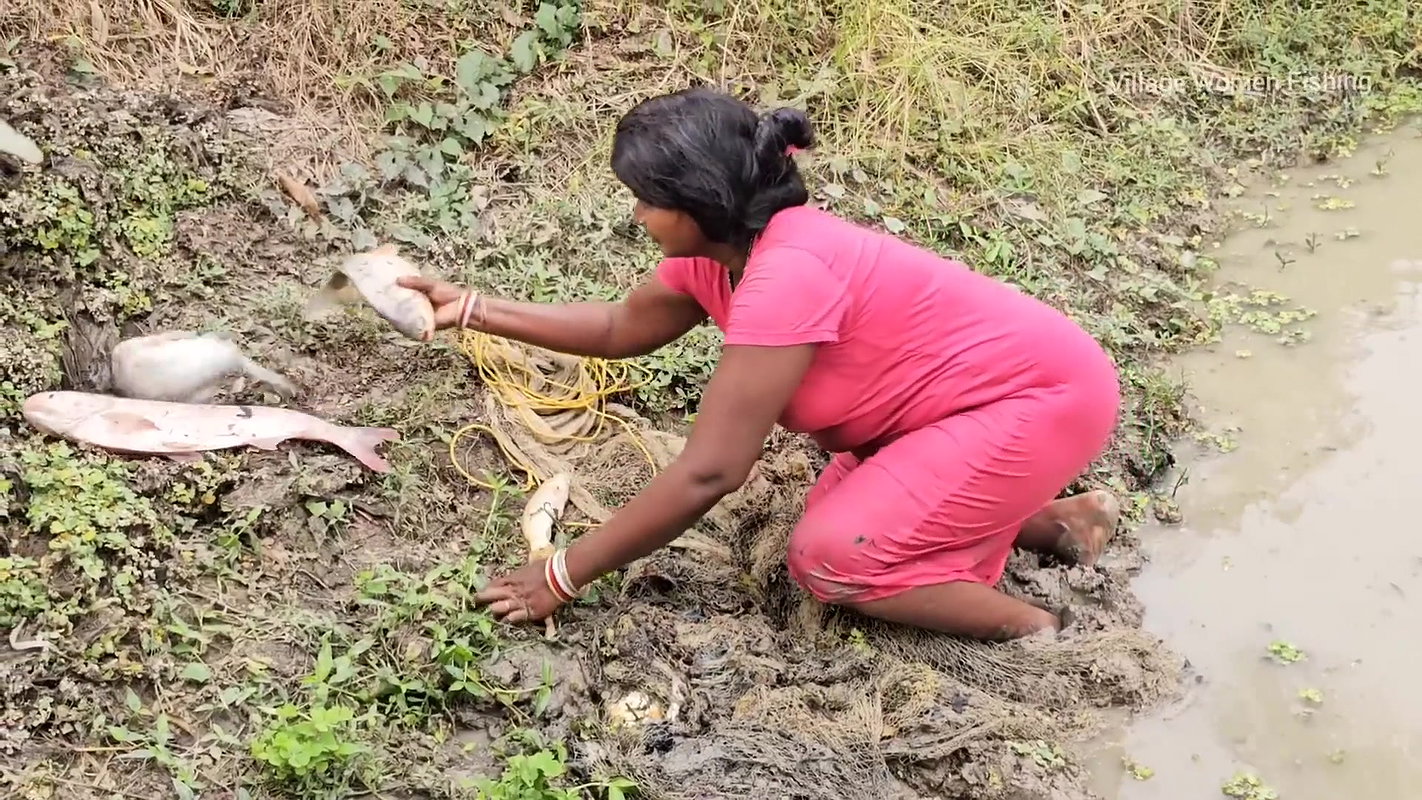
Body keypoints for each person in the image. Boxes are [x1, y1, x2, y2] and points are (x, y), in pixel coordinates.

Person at [398, 87, 1122, 641]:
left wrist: (561, 573)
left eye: (646, 201)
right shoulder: (722, 257)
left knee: (837, 557)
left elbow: (711, 470)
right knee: (843, 517)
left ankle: (1037, 630)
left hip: (1039, 400)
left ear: (697, 203)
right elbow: (622, 325)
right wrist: (469, 307)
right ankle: (1060, 525)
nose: (637, 218)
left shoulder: (788, 274)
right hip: (955, 412)